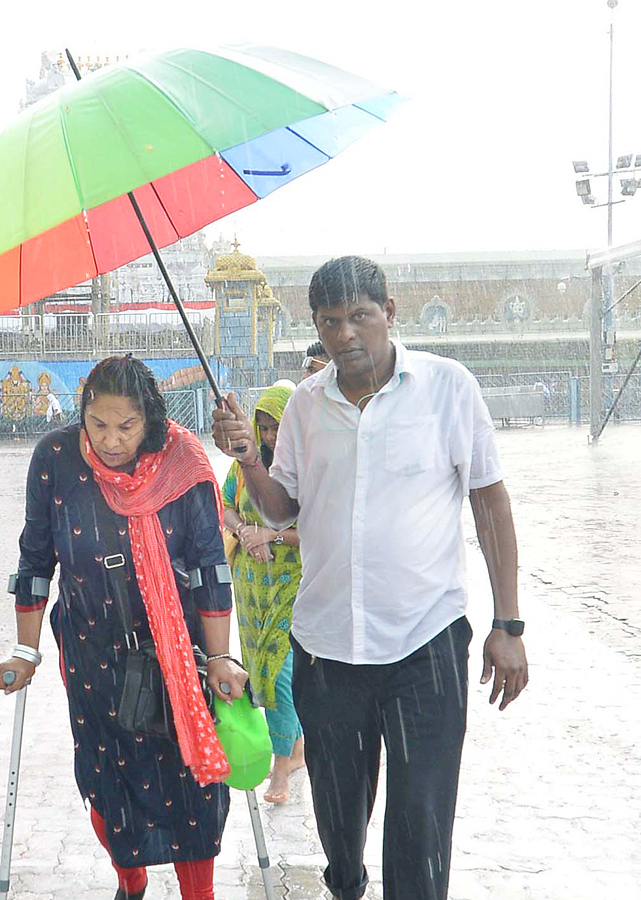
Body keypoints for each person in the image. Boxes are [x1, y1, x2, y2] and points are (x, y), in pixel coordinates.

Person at [212, 256, 529, 900]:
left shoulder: (448, 387)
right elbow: (284, 508)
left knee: (421, 819)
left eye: (360, 317)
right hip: (328, 648)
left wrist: (508, 624)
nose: (345, 335)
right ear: (316, 326)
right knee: (339, 819)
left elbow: (490, 503)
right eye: (330, 322)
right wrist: (248, 461)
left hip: (425, 645)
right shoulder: (305, 404)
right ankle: (347, 881)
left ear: (390, 312)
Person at [0, 355, 249, 900]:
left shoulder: (182, 460)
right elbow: (36, 559)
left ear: (149, 419)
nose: (111, 441)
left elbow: (210, 566)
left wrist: (223, 656)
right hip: (90, 650)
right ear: (82, 413)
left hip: (177, 652)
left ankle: (198, 894)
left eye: (126, 426)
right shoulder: (56, 459)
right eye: (98, 424)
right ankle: (129, 882)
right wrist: (25, 649)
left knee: (190, 782)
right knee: (107, 779)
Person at [219, 380, 304, 804]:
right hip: (252, 589)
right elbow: (226, 504)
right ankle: (297, 749)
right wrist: (244, 531)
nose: (270, 437)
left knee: (281, 675)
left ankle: (281, 771)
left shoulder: (307, 465)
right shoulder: (242, 467)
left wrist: (271, 534)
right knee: (259, 671)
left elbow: (318, 529)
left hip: (293, 585)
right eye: (264, 427)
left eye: (277, 427)